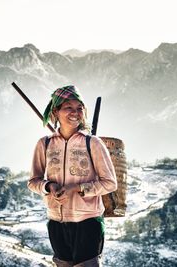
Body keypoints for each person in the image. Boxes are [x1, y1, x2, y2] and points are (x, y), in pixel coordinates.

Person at [28, 85, 117, 267]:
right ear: (56, 111)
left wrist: (77, 188)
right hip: (56, 221)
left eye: (79, 108)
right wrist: (48, 187)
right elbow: (33, 181)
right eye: (68, 107)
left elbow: (110, 183)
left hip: (88, 222)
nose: (75, 112)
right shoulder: (44, 144)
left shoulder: (92, 143)